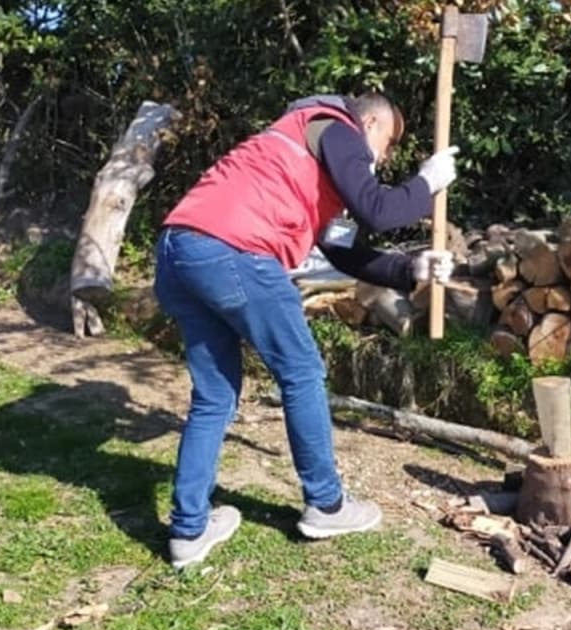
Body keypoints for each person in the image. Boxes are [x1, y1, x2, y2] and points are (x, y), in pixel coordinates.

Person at [153, 92, 459, 569]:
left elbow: (343, 251)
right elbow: (379, 209)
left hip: (179, 249)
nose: (385, 156)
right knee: (301, 372)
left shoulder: (303, 152)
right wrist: (427, 182)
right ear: (371, 121)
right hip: (235, 250)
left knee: (215, 395)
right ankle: (327, 505)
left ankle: (189, 531)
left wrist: (411, 268)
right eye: (390, 141)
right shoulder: (336, 127)